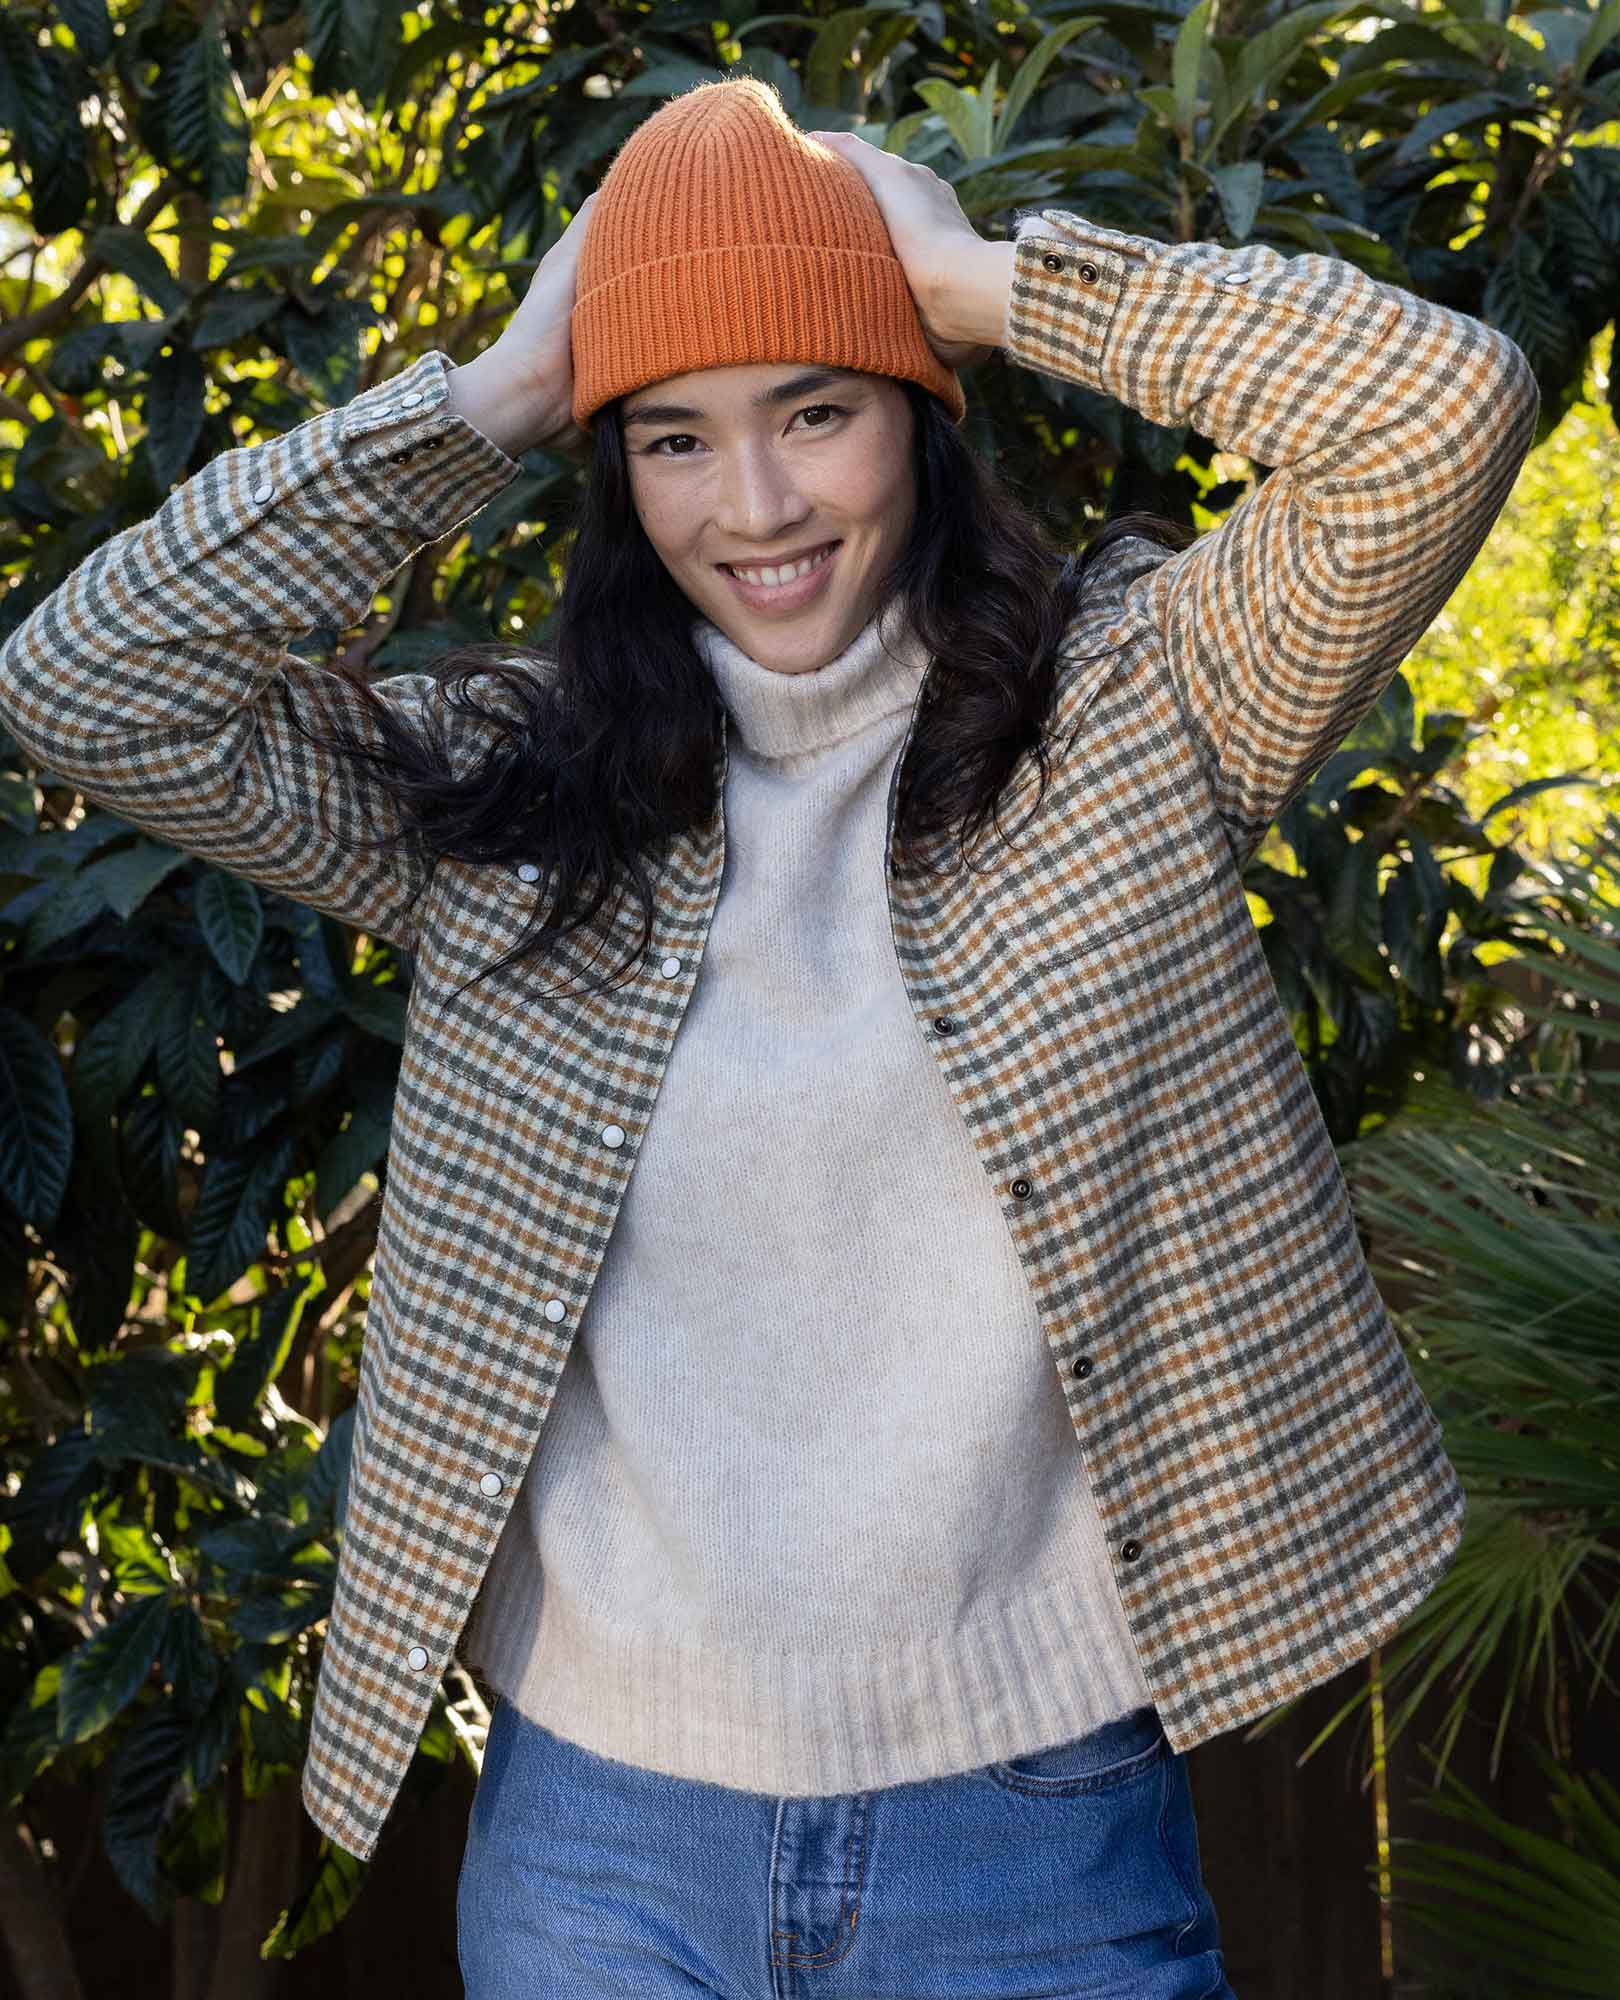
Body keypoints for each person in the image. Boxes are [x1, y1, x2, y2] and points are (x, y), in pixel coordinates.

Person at [0, 76, 1538, 2000]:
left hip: (1032, 1829)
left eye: (817, 410)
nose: (757, 508)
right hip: (598, 1842)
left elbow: (1440, 412)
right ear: (615, 472)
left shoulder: (1143, 711)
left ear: (918, 414)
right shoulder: (508, 794)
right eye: (673, 436)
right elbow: (89, 681)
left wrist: (980, 285)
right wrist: (499, 391)